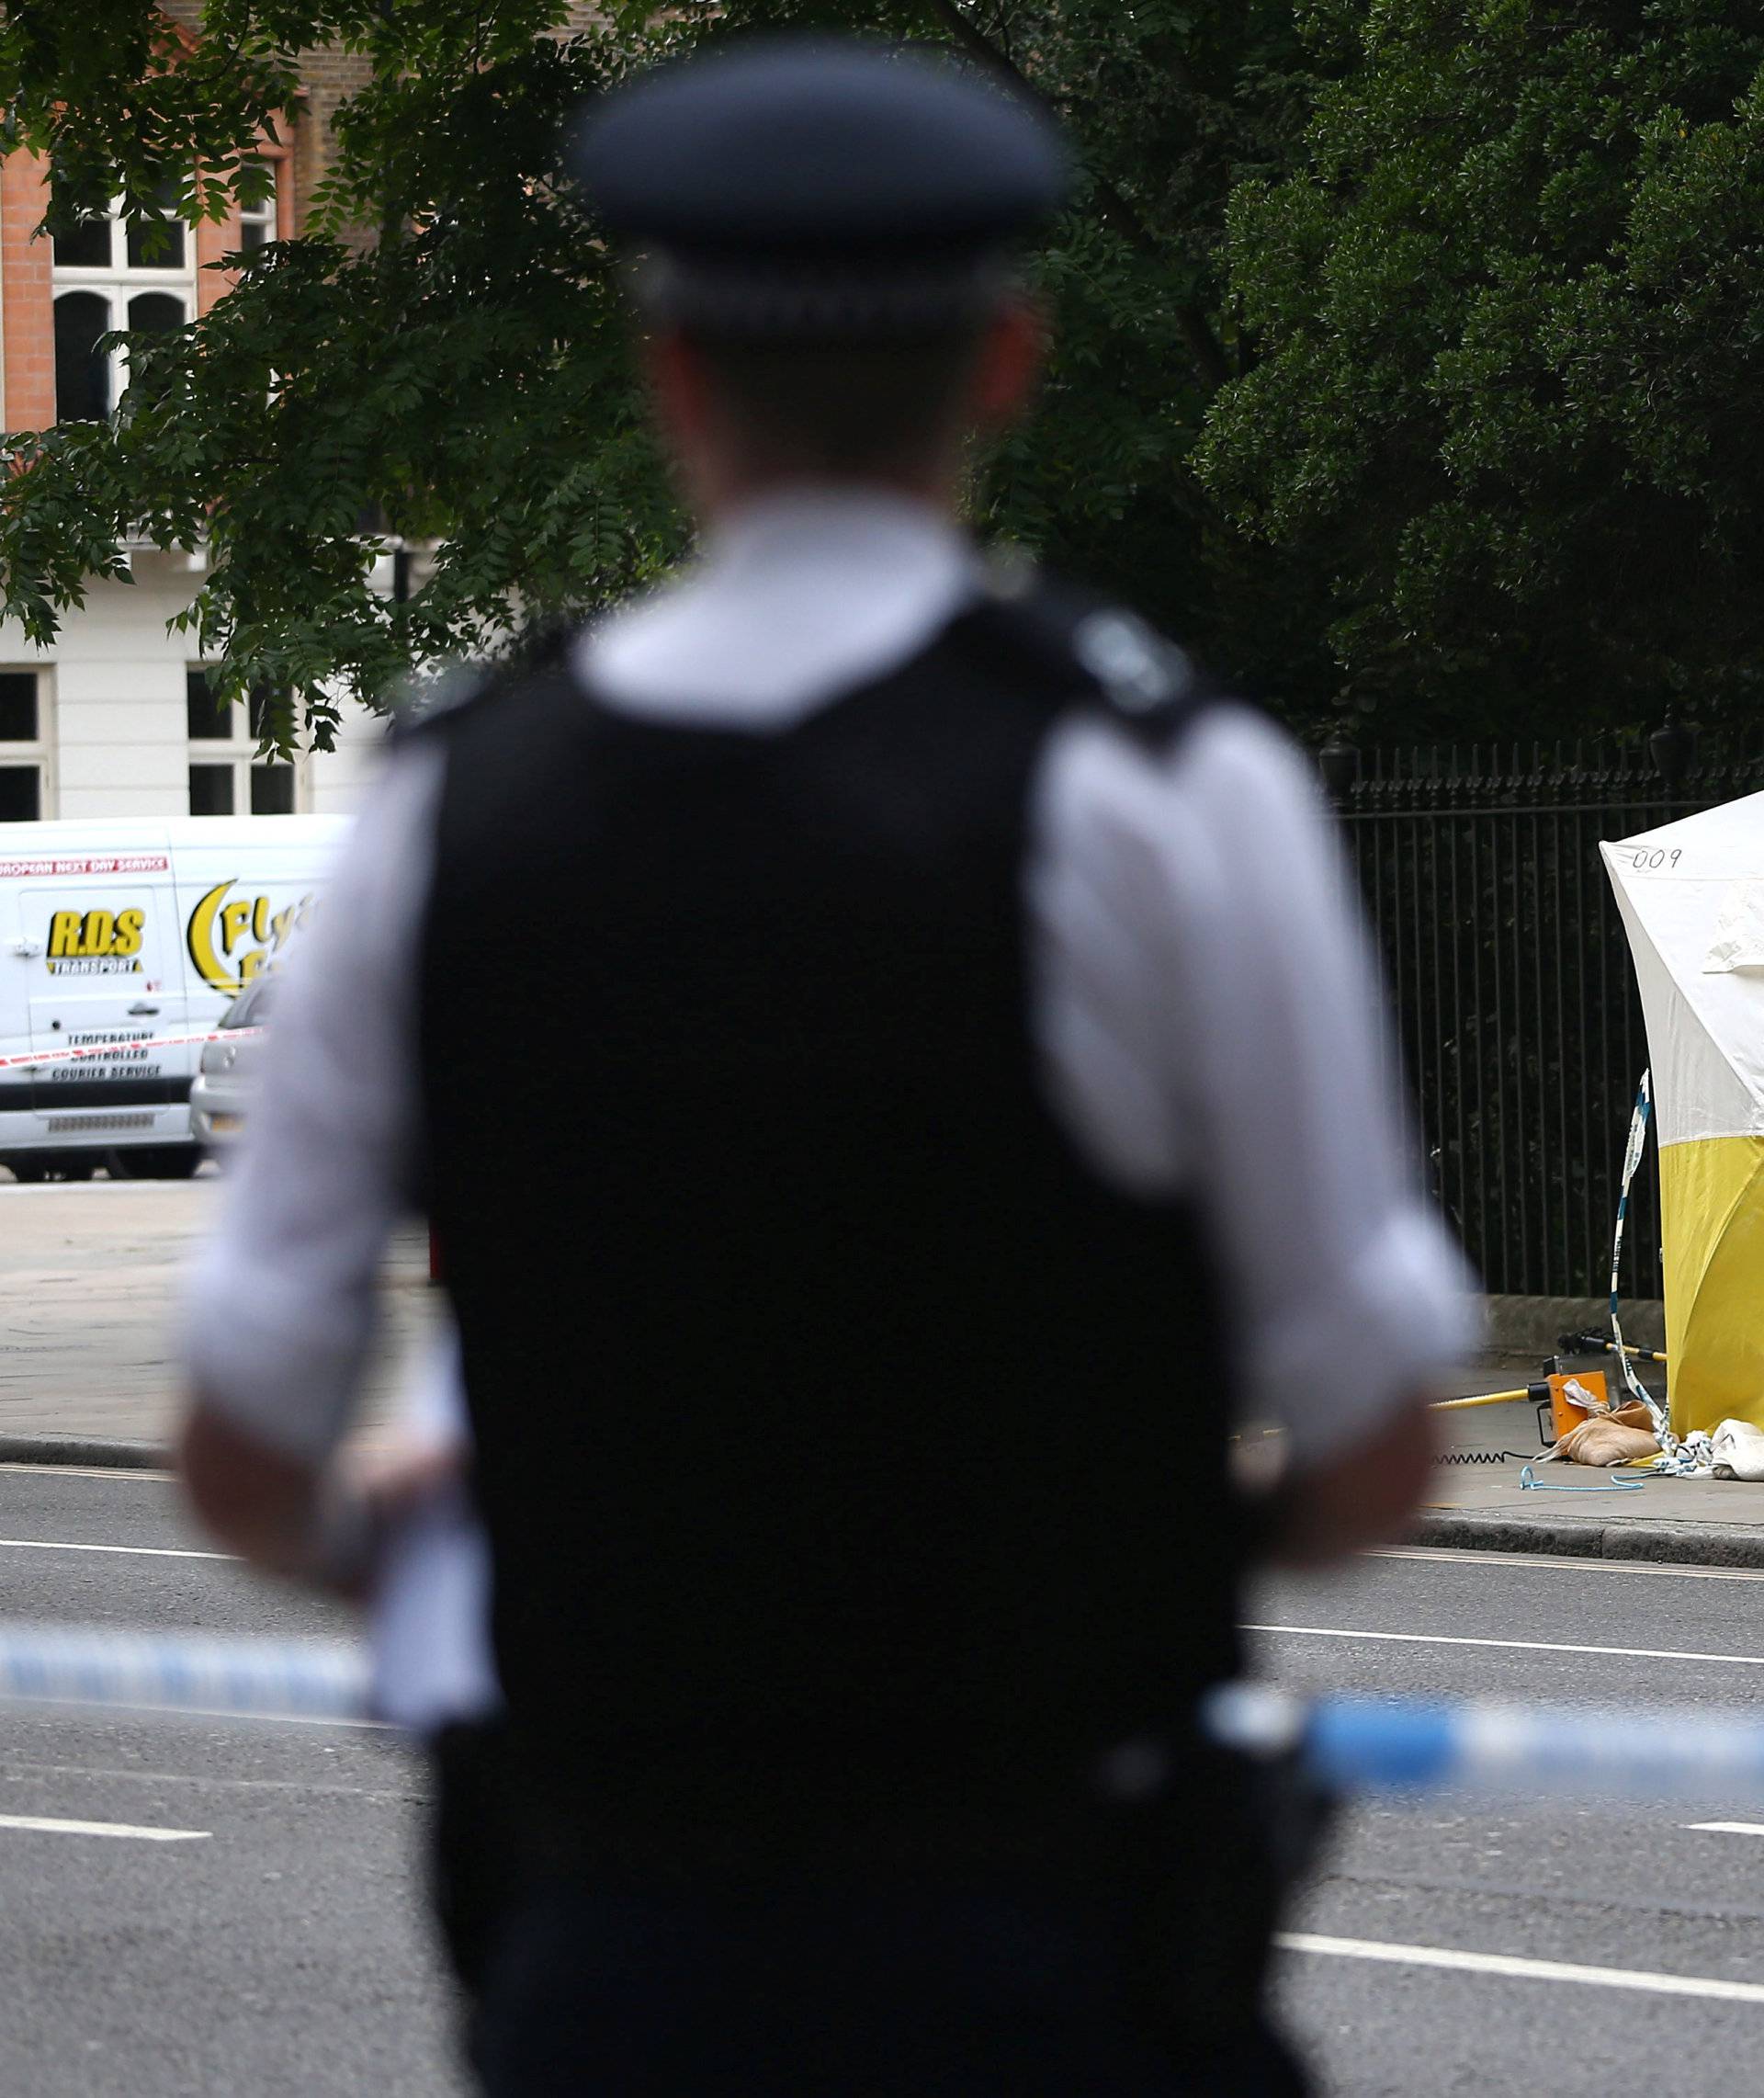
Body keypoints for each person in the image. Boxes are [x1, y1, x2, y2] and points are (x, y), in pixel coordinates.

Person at [179, 33, 1471, 2096]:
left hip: (618, 1939)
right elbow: (1378, 1444)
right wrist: (1123, 1533)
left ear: (670, 372)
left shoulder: (454, 804)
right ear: (1010, 359)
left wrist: (432, 1532)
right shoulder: (1163, 788)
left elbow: (242, 1446)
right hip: (1060, 1935)